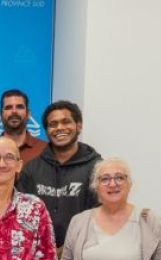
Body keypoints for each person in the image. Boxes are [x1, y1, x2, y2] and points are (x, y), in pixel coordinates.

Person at [18, 100, 102, 248]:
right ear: (46, 131)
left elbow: (102, 215)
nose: (60, 128)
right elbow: (21, 216)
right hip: (39, 255)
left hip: (83, 252)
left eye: (66, 122)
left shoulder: (97, 168)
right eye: (53, 124)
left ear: (79, 125)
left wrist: (68, 249)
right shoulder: (31, 169)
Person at [0, 89, 45, 164]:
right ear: (0, 115)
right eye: (8, 107)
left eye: (19, 107)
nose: (14, 111)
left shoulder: (44, 149)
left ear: (28, 113)